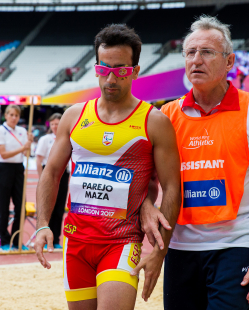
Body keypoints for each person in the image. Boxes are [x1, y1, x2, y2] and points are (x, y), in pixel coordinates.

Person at [34, 24, 181, 310]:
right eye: (104, 69)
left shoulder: (154, 121)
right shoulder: (74, 116)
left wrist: (159, 252)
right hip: (76, 243)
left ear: (135, 71)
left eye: (121, 70)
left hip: (122, 241)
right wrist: (42, 224)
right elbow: (50, 173)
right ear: (96, 68)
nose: (111, 78)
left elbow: (173, 187)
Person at [146, 16, 249, 310]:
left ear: (229, 61)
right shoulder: (165, 116)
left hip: (236, 246)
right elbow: (147, 180)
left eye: (207, 52)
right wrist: (148, 209)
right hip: (180, 248)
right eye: (190, 52)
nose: (196, 60)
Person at [0, 105, 33, 252]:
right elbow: (3, 153)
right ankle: (4, 240)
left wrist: (29, 144)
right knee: (4, 206)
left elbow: (27, 152)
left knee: (21, 206)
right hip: (4, 168)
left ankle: (17, 240)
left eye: (16, 115)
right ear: (6, 115)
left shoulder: (23, 131)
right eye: (11, 115)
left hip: (18, 168)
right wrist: (23, 148)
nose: (14, 117)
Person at [35, 113, 68, 249]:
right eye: (53, 124)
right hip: (48, 172)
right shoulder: (45, 139)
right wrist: (41, 177)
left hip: (64, 173)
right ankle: (44, 238)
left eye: (57, 123)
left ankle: (56, 240)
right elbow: (38, 159)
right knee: (49, 207)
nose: (55, 126)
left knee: (60, 208)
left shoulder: (68, 138)